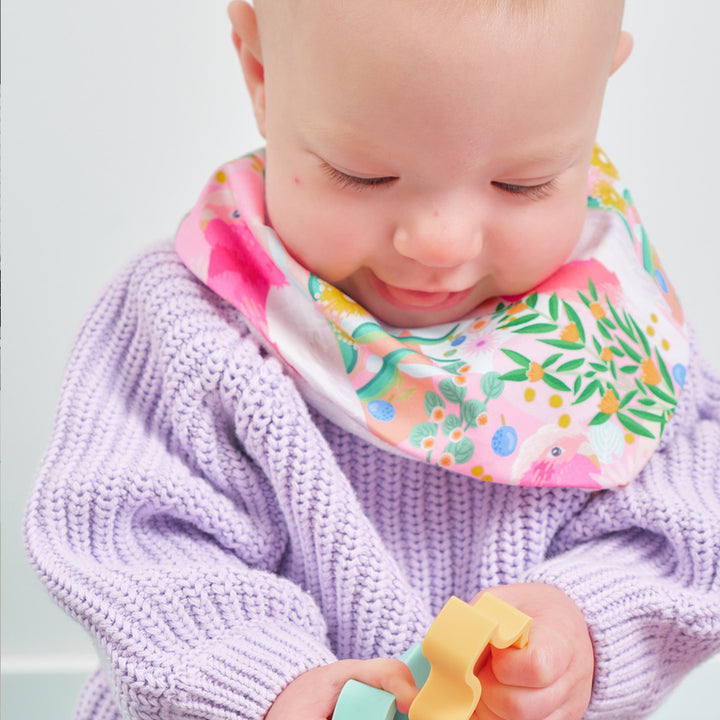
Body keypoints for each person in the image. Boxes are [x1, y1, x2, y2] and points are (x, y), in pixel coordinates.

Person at [24, 1, 720, 719]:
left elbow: (689, 526)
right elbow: (134, 545)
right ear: (260, 70)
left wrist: (587, 625)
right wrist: (269, 684)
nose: (440, 241)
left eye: (523, 183)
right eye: (362, 175)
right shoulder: (188, 323)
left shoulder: (612, 330)